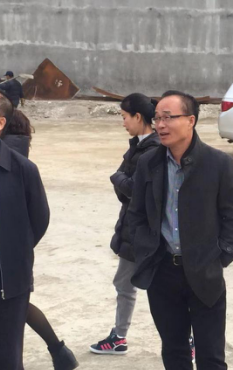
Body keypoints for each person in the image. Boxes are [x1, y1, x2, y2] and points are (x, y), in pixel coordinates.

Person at [127, 90, 233, 370]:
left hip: (205, 273)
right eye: (157, 118)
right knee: (174, 351)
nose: (161, 125)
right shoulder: (149, 162)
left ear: (191, 120)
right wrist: (146, 250)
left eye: (169, 117)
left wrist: (220, 256)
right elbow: (136, 214)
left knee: (211, 355)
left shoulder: (218, 163)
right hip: (163, 271)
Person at [1, 109, 79, 370]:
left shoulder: (10, 159)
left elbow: (39, 216)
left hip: (8, 252)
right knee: (18, 305)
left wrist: (16, 244)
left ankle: (58, 352)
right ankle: (59, 352)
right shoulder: (19, 152)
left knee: (15, 306)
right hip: (15, 250)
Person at [90, 93, 160, 355]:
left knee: (164, 289)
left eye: (124, 117)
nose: (123, 122)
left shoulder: (153, 150)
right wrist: (122, 182)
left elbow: (133, 189)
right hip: (131, 229)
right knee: (124, 284)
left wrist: (118, 179)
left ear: (138, 117)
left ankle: (188, 340)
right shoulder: (137, 146)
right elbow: (126, 190)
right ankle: (119, 337)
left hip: (149, 232)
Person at [0, 87, 49, 370]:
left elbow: (38, 220)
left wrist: (13, 252)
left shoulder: (21, 170)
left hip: (5, 275)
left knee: (5, 357)